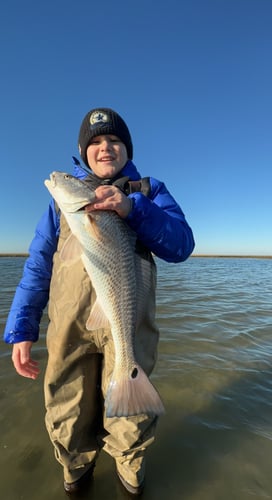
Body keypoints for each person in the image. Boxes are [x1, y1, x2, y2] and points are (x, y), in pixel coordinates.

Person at [4, 108, 195, 496]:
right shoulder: (61, 206)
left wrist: (131, 208)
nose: (105, 147)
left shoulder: (148, 191)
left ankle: (130, 473)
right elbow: (39, 266)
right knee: (67, 407)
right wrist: (22, 329)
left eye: (114, 141)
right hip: (70, 327)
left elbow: (181, 245)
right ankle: (76, 473)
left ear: (127, 150)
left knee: (132, 417)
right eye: (95, 143)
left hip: (128, 321)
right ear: (83, 151)